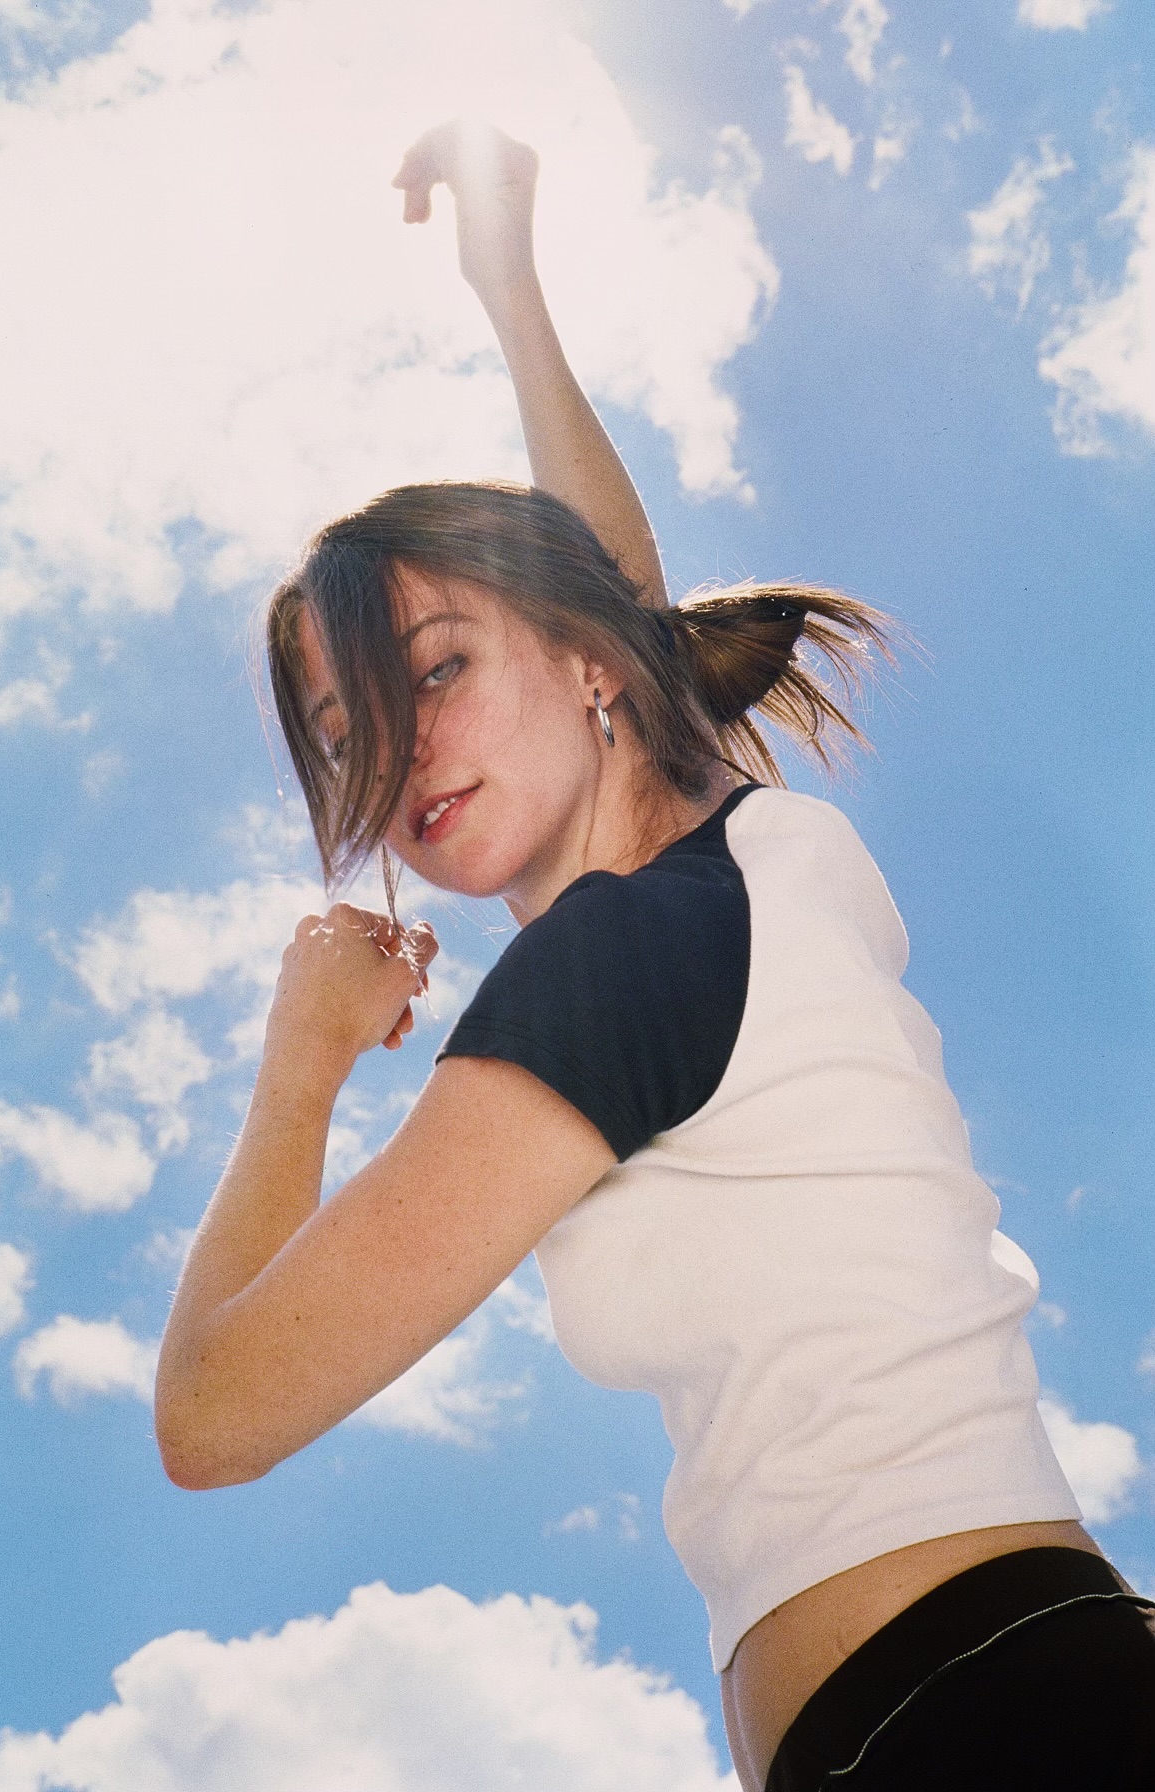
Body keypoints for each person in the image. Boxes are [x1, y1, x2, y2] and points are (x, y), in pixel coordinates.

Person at [154, 122, 1155, 1790]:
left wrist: (303, 1059)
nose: (397, 749)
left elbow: (213, 1413)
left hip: (987, 1722)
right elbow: (612, 584)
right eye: (345, 732)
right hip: (1014, 1682)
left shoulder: (629, 959)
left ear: (589, 664)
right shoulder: (747, 866)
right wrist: (508, 285)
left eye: (434, 668)